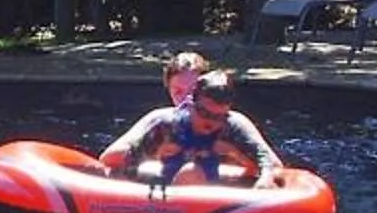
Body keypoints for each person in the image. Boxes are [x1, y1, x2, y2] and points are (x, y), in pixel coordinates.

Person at [99, 68, 290, 187]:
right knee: (189, 172)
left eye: (218, 117)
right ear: (191, 105)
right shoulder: (168, 126)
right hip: (171, 195)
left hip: (222, 195)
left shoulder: (233, 126)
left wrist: (237, 156)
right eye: (205, 114)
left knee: (193, 172)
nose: (211, 122)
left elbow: (271, 164)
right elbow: (126, 161)